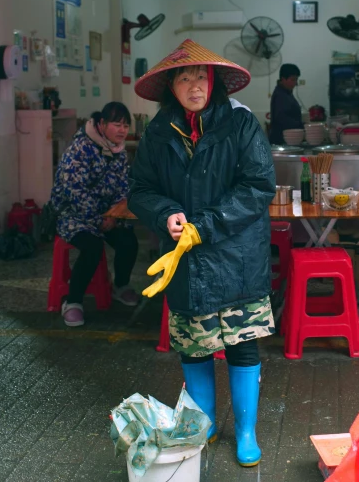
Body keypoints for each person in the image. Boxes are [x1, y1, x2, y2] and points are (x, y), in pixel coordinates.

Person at [128, 39, 276, 467]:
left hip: (237, 256)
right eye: (185, 77)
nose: (194, 85)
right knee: (193, 346)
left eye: (201, 77)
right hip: (187, 261)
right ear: (171, 86)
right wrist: (166, 215)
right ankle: (205, 421)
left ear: (214, 83)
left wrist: (204, 226)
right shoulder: (158, 133)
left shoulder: (241, 124)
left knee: (242, 345)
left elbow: (257, 187)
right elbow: (141, 191)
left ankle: (246, 432)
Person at [51, 102, 139, 328]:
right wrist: (98, 220)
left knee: (129, 240)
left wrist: (114, 216)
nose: (122, 130)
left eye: (125, 125)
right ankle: (72, 302)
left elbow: (122, 187)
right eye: (116, 124)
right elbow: (74, 192)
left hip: (106, 216)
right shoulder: (80, 149)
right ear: (101, 124)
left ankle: (120, 286)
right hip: (73, 216)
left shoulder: (118, 151)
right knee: (92, 248)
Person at [269, 63, 303, 144]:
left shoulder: (286, 93)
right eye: (292, 79)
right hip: (281, 139)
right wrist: (302, 125)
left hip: (288, 138)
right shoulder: (280, 95)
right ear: (283, 79)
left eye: (296, 79)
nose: (295, 83)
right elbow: (281, 118)